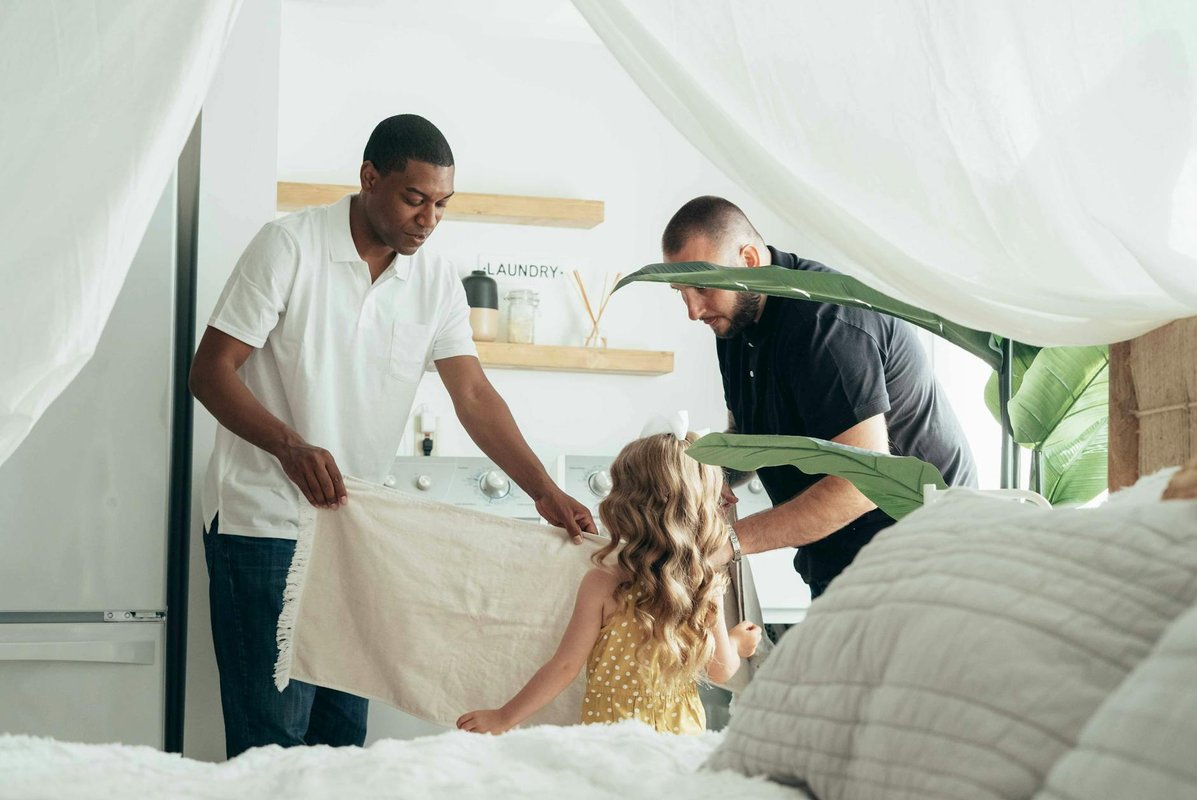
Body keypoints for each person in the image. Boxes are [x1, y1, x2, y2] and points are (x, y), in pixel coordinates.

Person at [190, 114, 595, 757]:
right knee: (271, 748)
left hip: (357, 534)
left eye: (442, 205)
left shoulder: (435, 281)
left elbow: (474, 395)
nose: (428, 219)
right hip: (264, 525)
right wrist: (289, 446)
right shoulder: (287, 247)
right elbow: (210, 372)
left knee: (345, 747)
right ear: (368, 178)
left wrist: (542, 488)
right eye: (414, 199)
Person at [661, 196, 978, 598]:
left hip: (922, 557)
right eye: (680, 291)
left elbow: (862, 484)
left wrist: (729, 542)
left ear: (750, 260)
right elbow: (751, 438)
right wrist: (694, 478)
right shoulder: (734, 323)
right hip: (844, 557)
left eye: (702, 286)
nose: (692, 310)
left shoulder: (825, 326)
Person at [456, 428, 761, 736]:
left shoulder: (603, 582)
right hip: (680, 739)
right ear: (704, 507)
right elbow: (721, 670)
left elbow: (564, 667)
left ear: (625, 503)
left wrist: (504, 718)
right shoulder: (703, 582)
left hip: (610, 739)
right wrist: (737, 642)